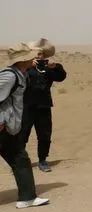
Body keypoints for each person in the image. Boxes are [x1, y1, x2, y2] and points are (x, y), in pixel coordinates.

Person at [0, 42, 50, 208]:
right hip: (2, 126)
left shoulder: (20, 73)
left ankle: (27, 198)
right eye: (29, 57)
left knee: (20, 158)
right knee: (19, 158)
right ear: (22, 60)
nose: (33, 59)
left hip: (8, 128)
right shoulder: (10, 76)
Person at [20, 39, 66, 172]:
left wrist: (56, 66)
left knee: (45, 135)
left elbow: (61, 77)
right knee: (22, 134)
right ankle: (20, 161)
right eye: (35, 54)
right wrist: (27, 66)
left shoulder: (48, 69)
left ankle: (42, 160)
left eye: (40, 54)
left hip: (44, 106)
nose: (38, 56)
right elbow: (14, 74)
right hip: (26, 106)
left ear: (44, 55)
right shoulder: (24, 67)